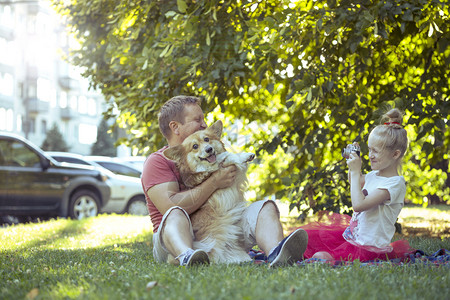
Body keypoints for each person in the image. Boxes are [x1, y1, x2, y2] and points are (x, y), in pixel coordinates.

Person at [141, 95, 308, 267]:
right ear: (175, 127)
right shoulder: (157, 162)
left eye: (203, 119)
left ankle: (277, 253)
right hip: (175, 239)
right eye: (198, 119)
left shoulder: (212, 154)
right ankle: (187, 256)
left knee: (265, 207)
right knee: (175, 213)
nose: (204, 125)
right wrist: (215, 182)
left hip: (220, 226)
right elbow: (171, 205)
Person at [298, 108, 414, 262]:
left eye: (375, 151)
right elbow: (354, 183)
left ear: (395, 154)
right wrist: (353, 164)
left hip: (369, 248)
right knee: (307, 238)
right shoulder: (374, 175)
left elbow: (358, 205)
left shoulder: (394, 184)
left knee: (322, 256)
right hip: (354, 239)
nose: (370, 155)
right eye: (369, 150)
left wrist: (355, 171)